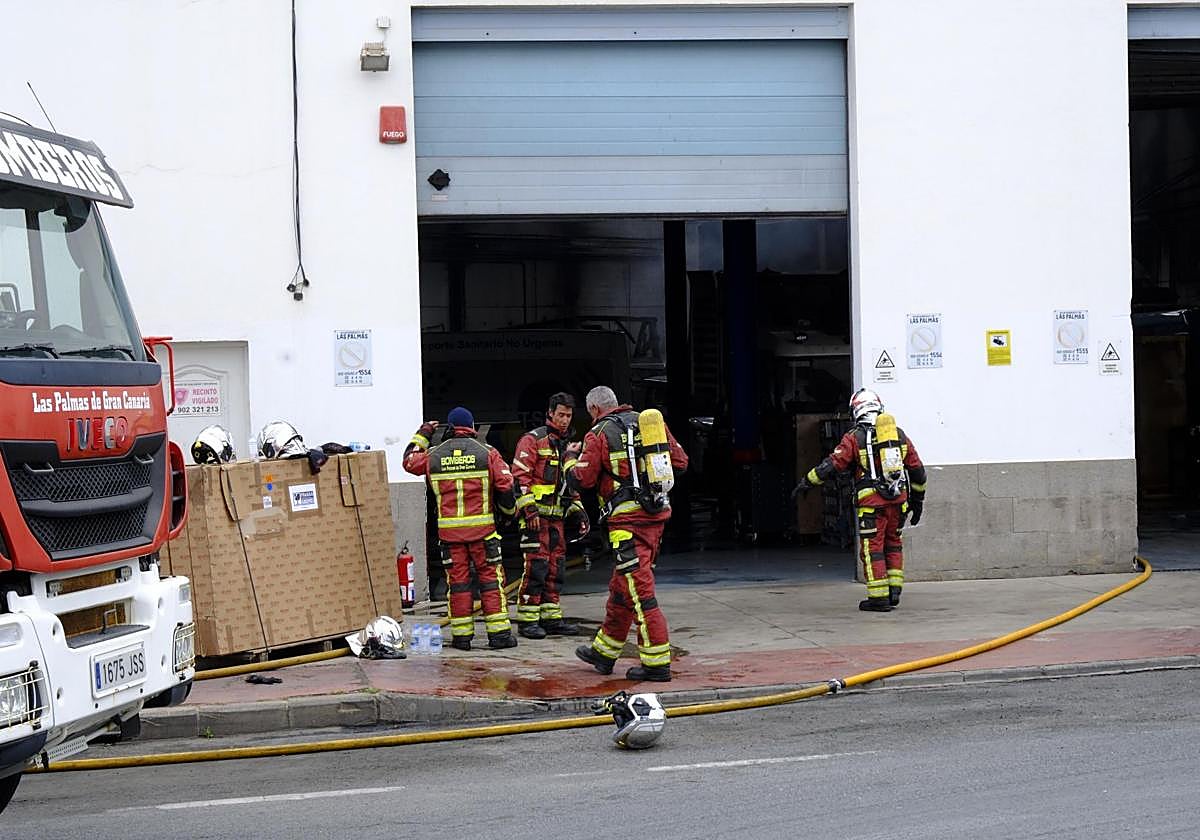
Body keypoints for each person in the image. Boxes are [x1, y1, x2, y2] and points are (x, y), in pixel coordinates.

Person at [566, 386, 688, 682]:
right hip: (655, 520)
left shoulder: (598, 433)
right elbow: (681, 462)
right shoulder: (650, 423)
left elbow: (583, 478)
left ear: (594, 409)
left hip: (626, 525)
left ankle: (657, 663)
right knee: (622, 589)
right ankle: (604, 652)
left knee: (640, 593)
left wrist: (570, 459)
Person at [795, 388, 927, 612]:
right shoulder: (899, 436)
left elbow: (832, 464)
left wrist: (807, 482)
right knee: (893, 544)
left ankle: (878, 598)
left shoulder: (854, 438)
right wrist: (918, 502)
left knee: (872, 549)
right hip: (898, 503)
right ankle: (894, 592)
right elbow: (918, 471)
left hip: (872, 506)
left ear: (856, 411)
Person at [403, 406, 524, 650]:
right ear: (472, 427)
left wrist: (424, 433)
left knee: (458, 585)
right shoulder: (487, 453)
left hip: (450, 537)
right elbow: (506, 486)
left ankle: (461, 637)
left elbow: (409, 462)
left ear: (450, 428)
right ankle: (499, 636)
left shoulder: (434, 455)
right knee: (491, 582)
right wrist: (509, 514)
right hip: (484, 534)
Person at [511, 392, 588, 639]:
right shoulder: (533, 440)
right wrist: (529, 510)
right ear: (551, 413)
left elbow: (570, 484)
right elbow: (519, 479)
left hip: (557, 521)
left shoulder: (567, 446)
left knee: (556, 569)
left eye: (569, 415)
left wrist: (579, 511)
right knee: (537, 568)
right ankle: (528, 621)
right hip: (535, 521)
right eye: (561, 415)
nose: (565, 420)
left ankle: (551, 619)